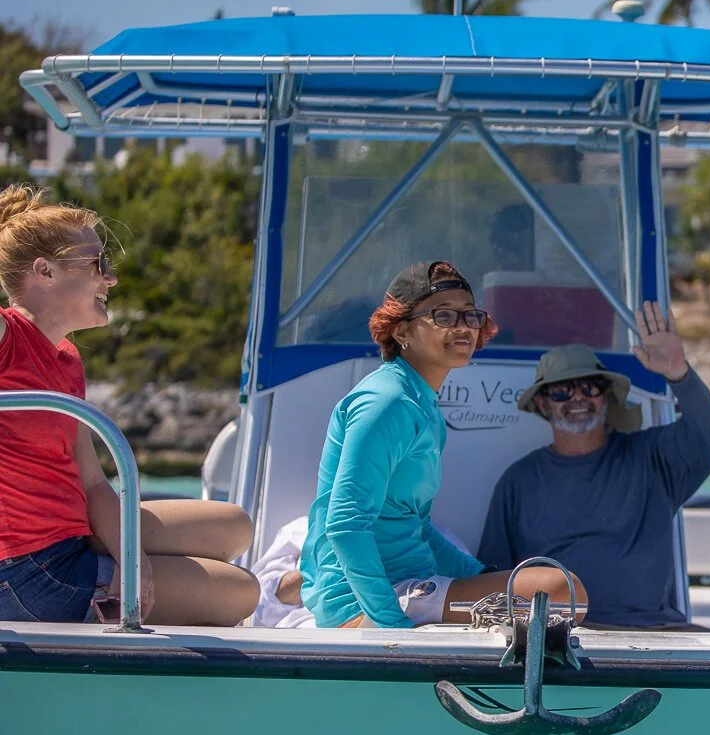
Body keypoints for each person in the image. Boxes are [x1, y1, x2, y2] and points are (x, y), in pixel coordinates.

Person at [0, 184, 258, 625]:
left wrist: (132, 562)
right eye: (98, 264)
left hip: (71, 538)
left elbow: (94, 485)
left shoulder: (67, 358)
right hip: (27, 572)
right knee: (239, 592)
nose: (111, 278)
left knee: (234, 525)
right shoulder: (7, 337)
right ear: (44, 271)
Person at [299, 260, 582, 628]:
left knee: (556, 590)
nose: (463, 326)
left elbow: (418, 526)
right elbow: (346, 526)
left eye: (469, 316)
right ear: (401, 330)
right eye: (443, 316)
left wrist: (482, 575)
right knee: (561, 590)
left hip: (412, 585)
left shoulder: (422, 404)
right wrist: (391, 629)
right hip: (365, 601)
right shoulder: (387, 402)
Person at [478, 302, 710, 630]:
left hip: (657, 633)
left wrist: (679, 373)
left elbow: (708, 433)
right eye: (562, 390)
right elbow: (492, 578)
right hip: (562, 642)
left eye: (589, 387)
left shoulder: (653, 457)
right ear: (542, 404)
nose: (578, 397)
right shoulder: (517, 481)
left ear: (604, 396)